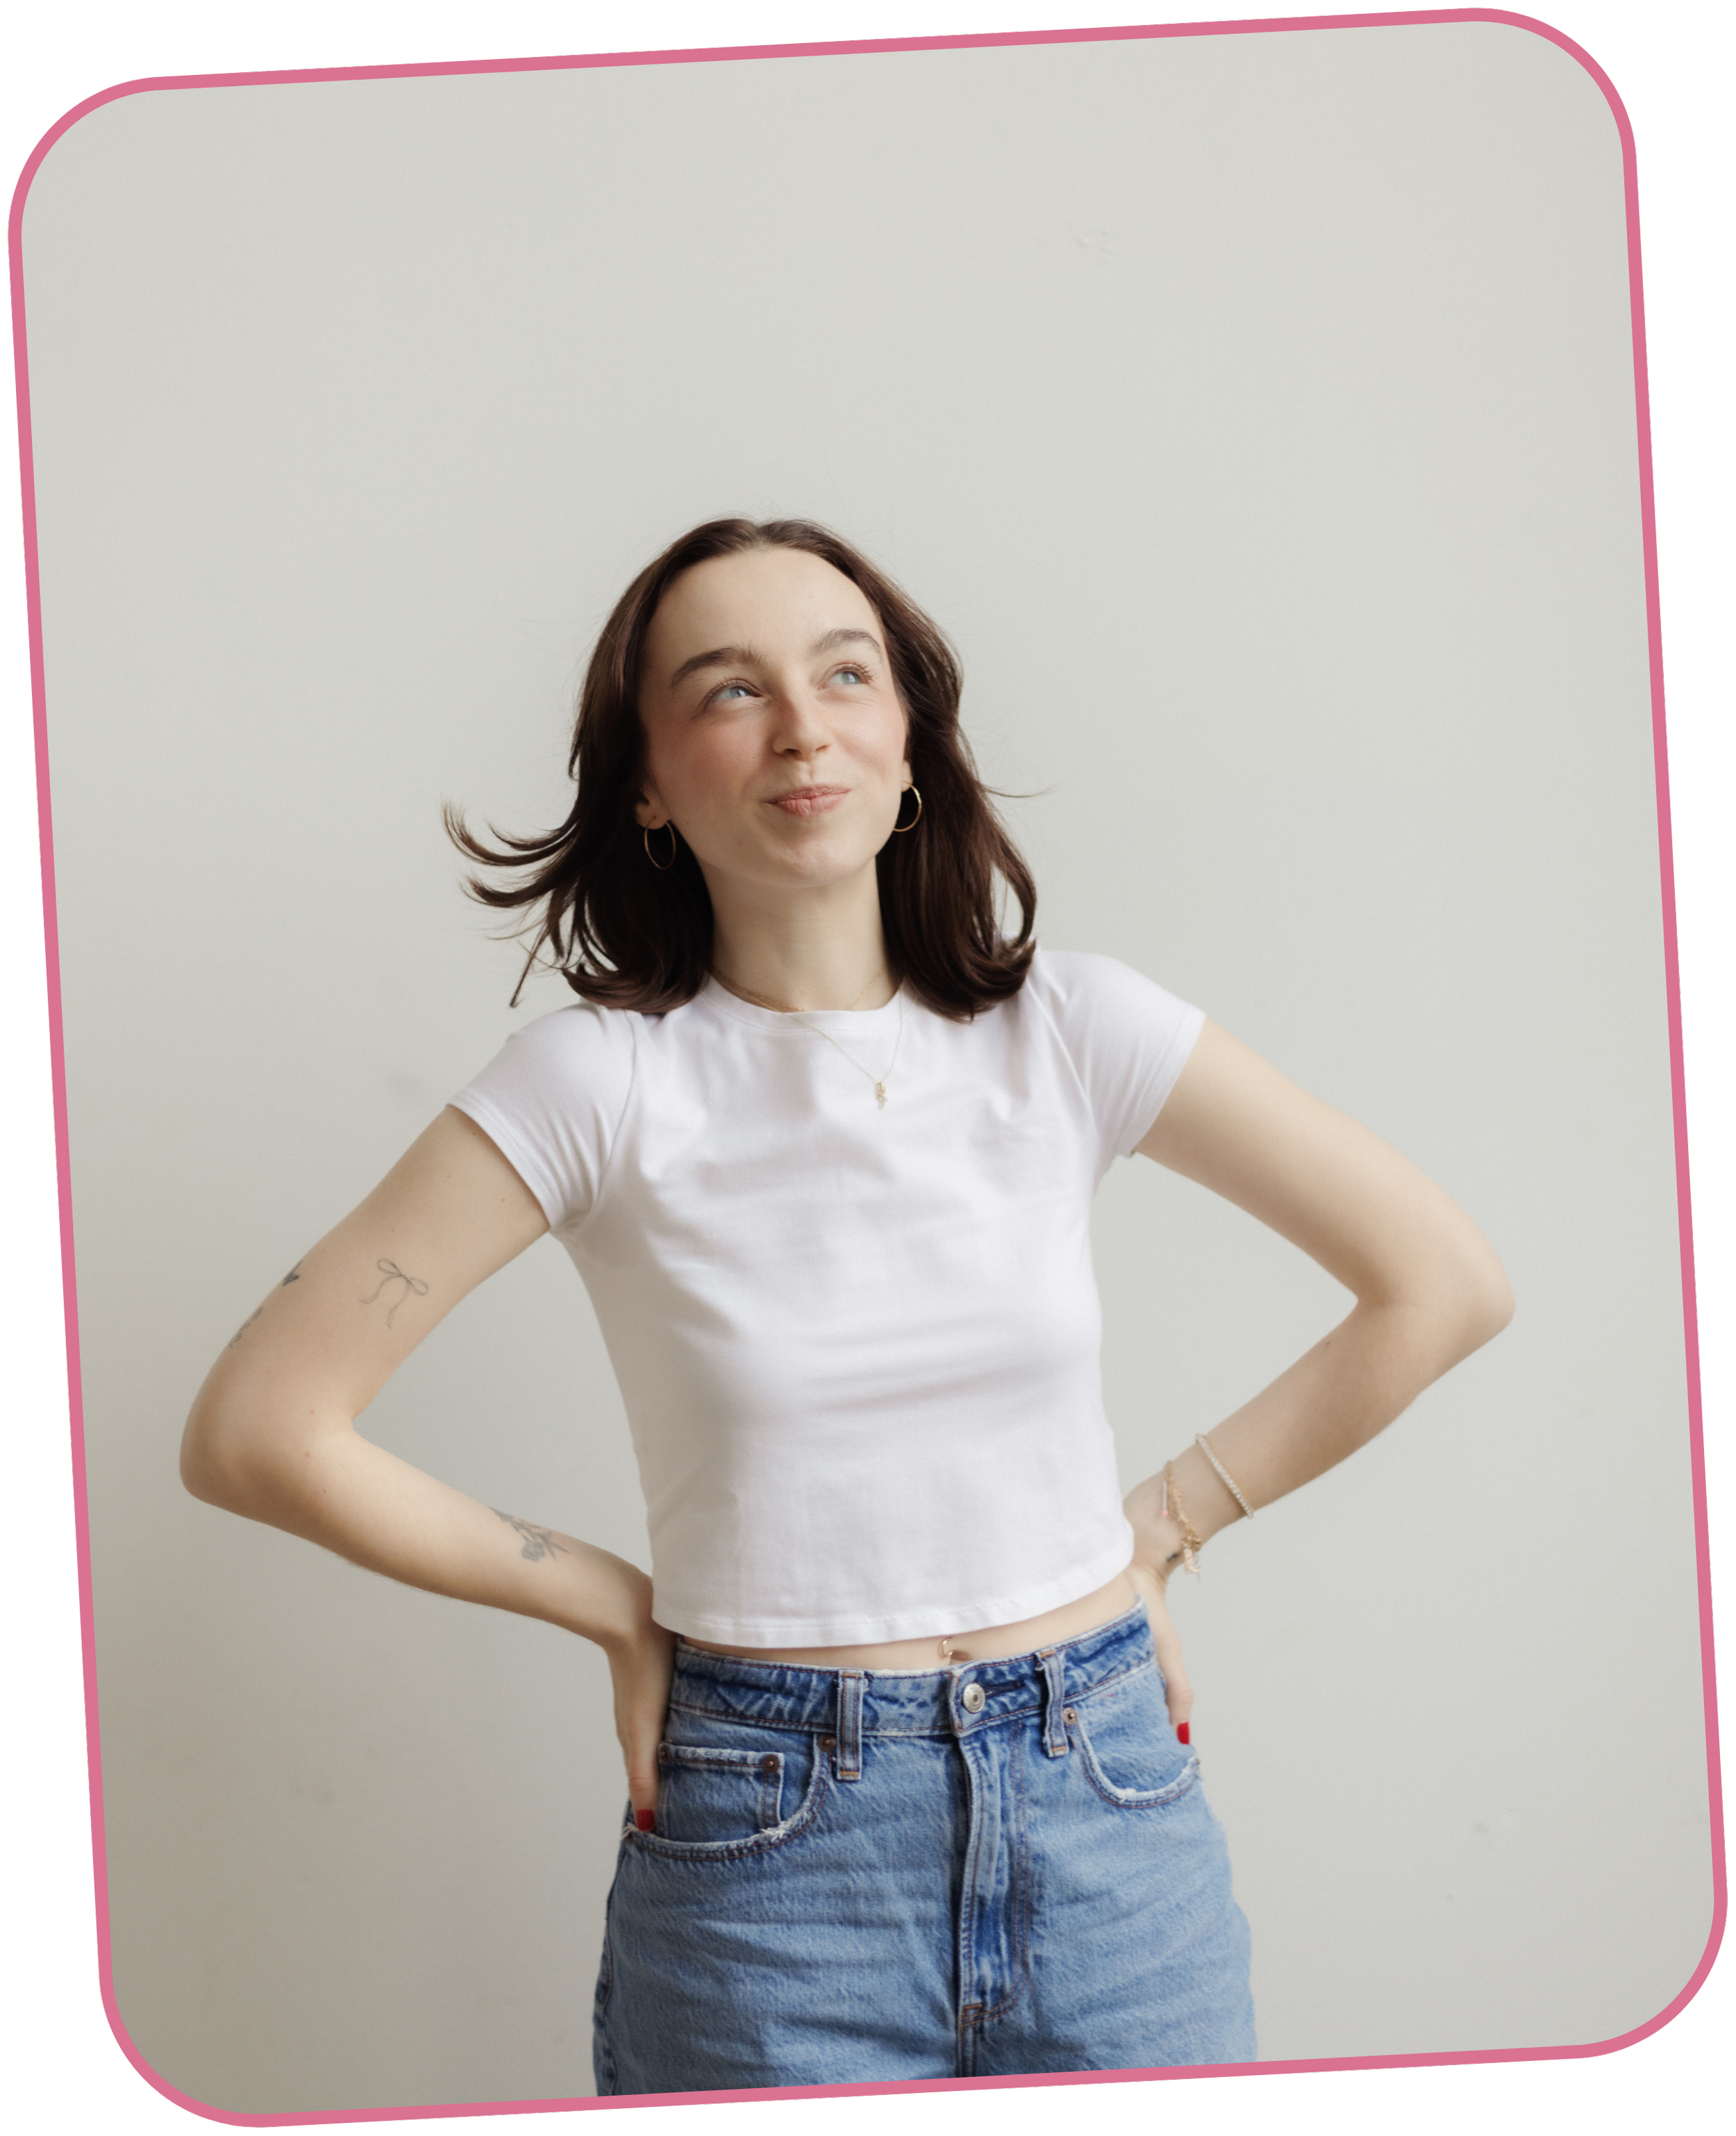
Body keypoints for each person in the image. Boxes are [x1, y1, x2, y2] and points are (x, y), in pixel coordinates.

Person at [181, 517, 1514, 2094]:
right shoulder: (597, 1082)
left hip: (1106, 1810)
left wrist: (1162, 1526)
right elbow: (258, 1428)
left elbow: (1441, 1283)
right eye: (729, 689)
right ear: (645, 783)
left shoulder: (1071, 1028)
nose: (802, 728)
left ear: (909, 741)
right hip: (771, 1852)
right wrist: (604, 1599)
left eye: (843, 675)